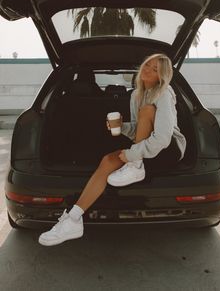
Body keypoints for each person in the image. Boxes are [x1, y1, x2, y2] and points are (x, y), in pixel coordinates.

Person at [38, 53, 186, 246]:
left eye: (155, 69)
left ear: (162, 76)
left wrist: (133, 155)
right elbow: (138, 131)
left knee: (147, 110)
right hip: (147, 148)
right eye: (147, 65)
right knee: (108, 161)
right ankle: (73, 219)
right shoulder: (136, 94)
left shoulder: (164, 93)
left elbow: (163, 138)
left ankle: (136, 166)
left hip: (169, 150)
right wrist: (121, 126)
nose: (148, 70)